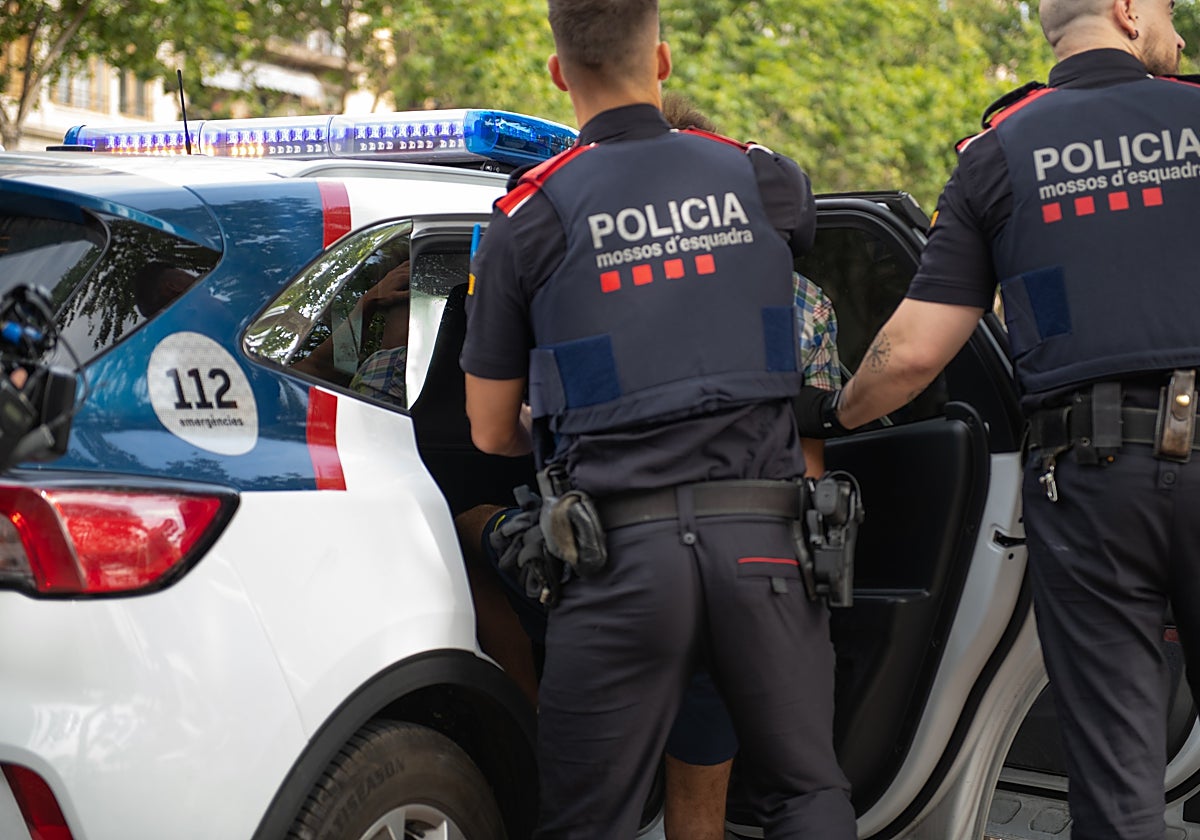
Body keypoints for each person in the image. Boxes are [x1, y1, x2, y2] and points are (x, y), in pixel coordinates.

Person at [795, 2, 1196, 838]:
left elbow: (913, 353)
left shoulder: (1001, 152)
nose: (1181, 34)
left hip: (1092, 478)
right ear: (1128, 11)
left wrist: (830, 413)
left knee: (1117, 779)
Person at [459, 1, 856, 837]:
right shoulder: (763, 178)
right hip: (763, 542)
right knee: (806, 793)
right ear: (663, 60)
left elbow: (489, 432)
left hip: (619, 556)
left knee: (586, 817)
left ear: (558, 73)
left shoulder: (528, 216)